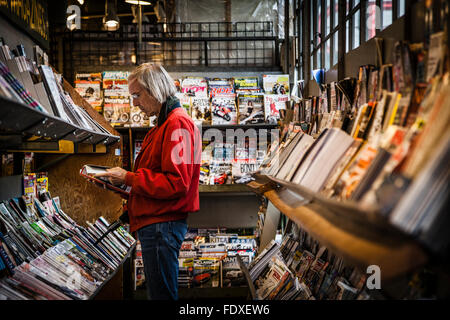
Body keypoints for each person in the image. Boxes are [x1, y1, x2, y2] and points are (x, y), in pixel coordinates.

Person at [96, 63, 201, 300]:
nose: (134, 103)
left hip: (162, 225)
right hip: (157, 223)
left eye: (137, 95)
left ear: (155, 89)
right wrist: (119, 183)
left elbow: (177, 183)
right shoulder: (165, 125)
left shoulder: (177, 124)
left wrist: (129, 178)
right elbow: (157, 179)